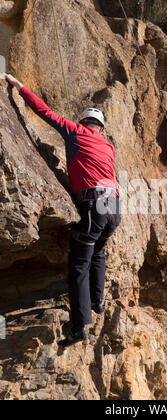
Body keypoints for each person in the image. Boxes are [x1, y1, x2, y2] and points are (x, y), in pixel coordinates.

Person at [5, 74, 121, 347]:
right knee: (98, 251)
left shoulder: (75, 131)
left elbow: (45, 112)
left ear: (83, 123)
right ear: (101, 129)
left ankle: (79, 326)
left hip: (94, 204)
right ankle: (98, 300)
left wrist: (18, 86)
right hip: (115, 205)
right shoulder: (109, 146)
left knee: (79, 263)